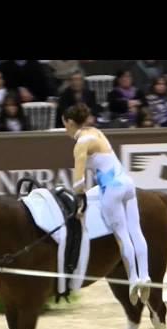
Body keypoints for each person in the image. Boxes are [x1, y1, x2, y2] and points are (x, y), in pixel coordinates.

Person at [62, 103, 150, 304]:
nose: (65, 129)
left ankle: (135, 279)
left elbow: (78, 182)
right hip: (127, 184)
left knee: (122, 236)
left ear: (70, 122)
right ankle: (145, 276)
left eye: (64, 124)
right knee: (136, 232)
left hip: (111, 190)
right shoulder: (96, 132)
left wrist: (80, 200)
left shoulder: (81, 144)